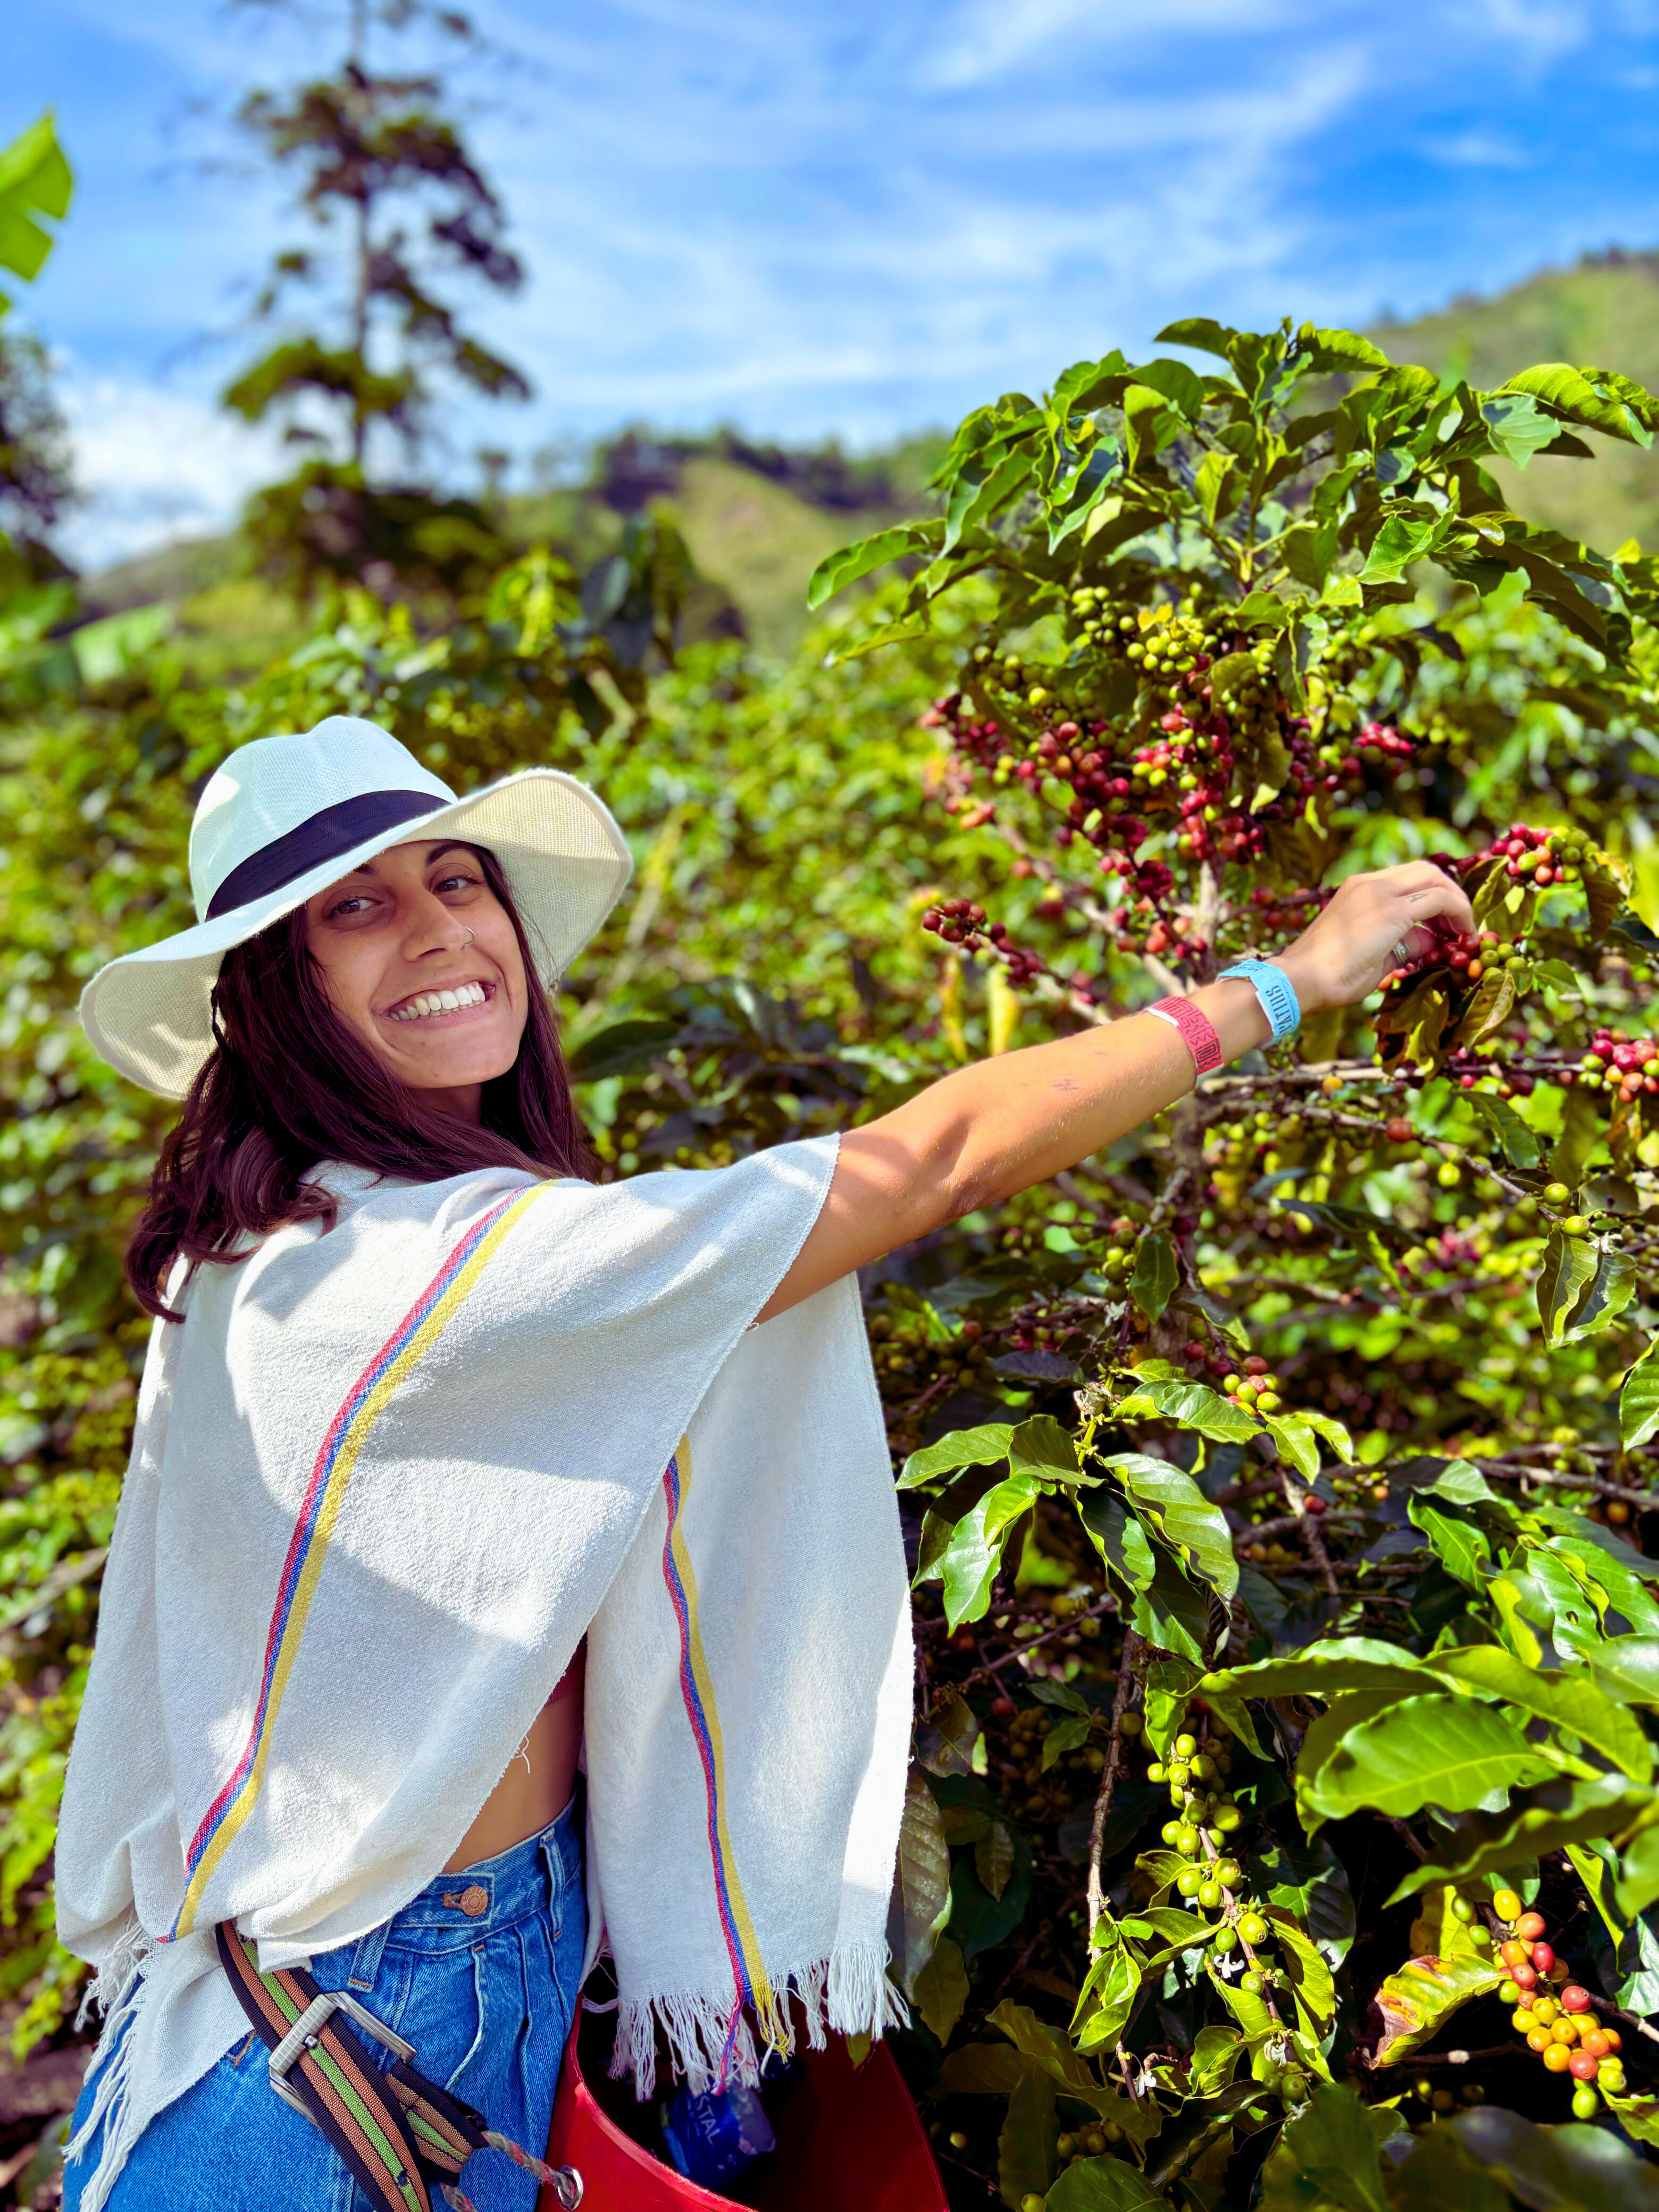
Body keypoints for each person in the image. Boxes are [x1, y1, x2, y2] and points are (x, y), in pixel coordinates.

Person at [55, 716, 1473, 2211]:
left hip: (355, 1981)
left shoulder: (276, 1239)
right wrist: (1284, 982)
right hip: (384, 2006)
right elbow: (932, 1164)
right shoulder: (416, 1269)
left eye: (458, 879)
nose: (438, 929)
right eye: (355, 907)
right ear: (274, 996)